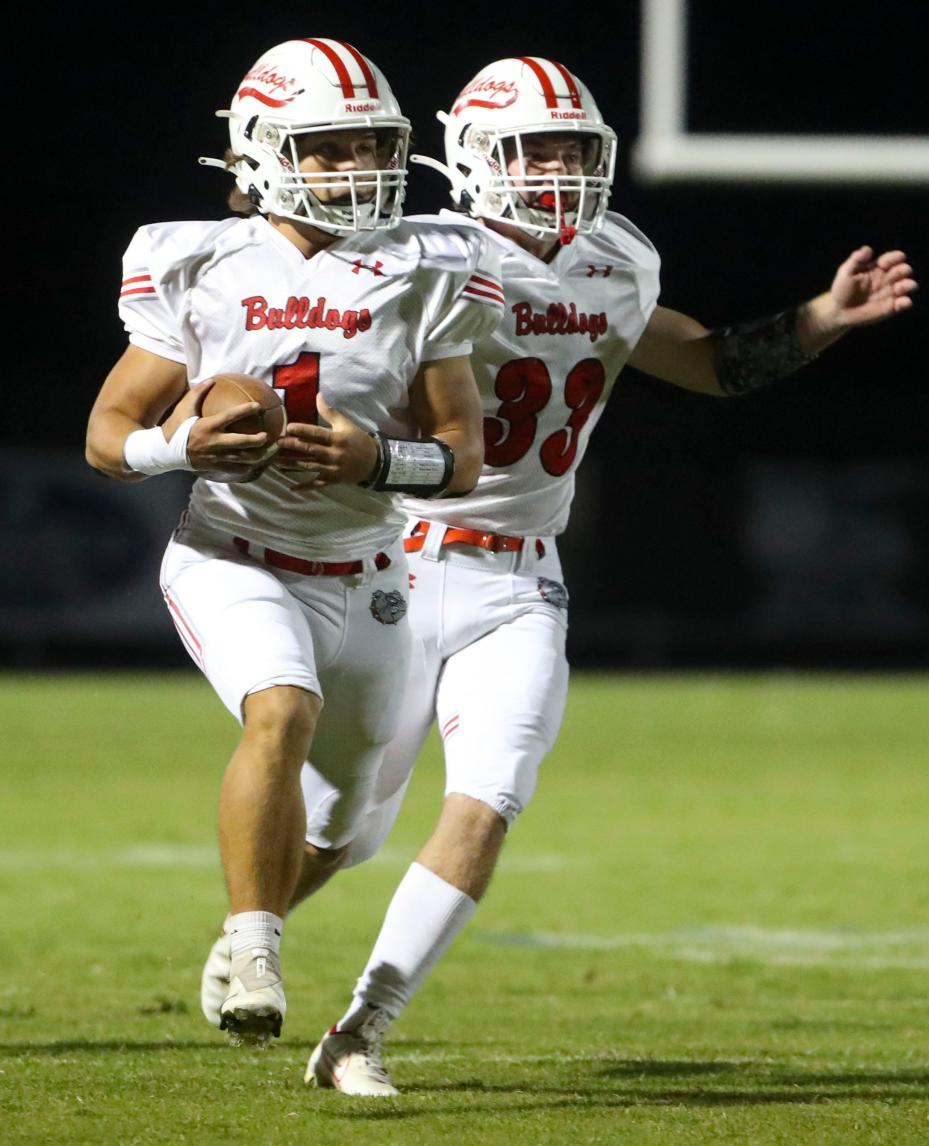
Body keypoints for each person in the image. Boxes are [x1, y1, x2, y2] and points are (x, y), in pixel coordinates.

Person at [199, 56, 918, 1086]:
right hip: (391, 562)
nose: (556, 172)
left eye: (575, 150)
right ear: (473, 156)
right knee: (346, 831)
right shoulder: (410, 254)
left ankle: (360, 1032)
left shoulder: (617, 257)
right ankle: (250, 926)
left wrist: (814, 323)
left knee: (490, 797)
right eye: (532, 150)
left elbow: (703, 359)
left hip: (520, 579)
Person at [85, 37, 505, 1048]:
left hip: (368, 572)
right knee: (281, 709)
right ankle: (258, 942)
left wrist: (375, 462)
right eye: (328, 147)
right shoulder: (197, 261)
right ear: (262, 150)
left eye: (372, 143)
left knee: (349, 829)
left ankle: (249, 920)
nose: (358, 165)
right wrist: (183, 442)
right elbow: (107, 436)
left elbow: (461, 458)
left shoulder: (426, 265)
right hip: (232, 553)